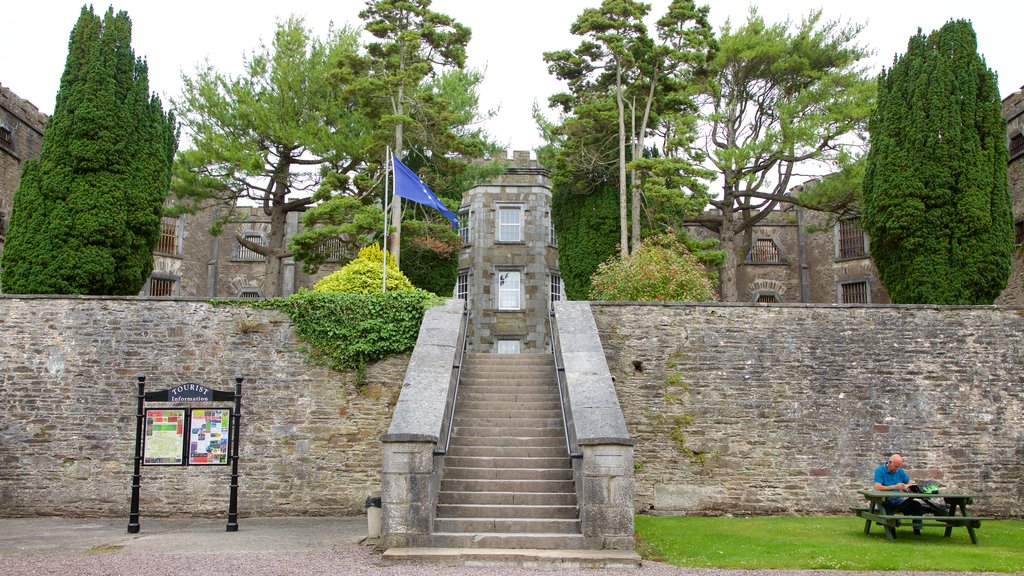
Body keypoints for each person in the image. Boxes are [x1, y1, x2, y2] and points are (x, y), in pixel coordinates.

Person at [873, 453, 923, 534]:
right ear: (890, 462)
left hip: (898, 500)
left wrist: (909, 487)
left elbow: (908, 483)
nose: (897, 469)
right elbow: (877, 487)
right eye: (896, 466)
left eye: (899, 466)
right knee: (888, 507)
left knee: (916, 505)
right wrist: (895, 487)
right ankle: (891, 532)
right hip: (885, 500)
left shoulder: (900, 471)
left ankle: (917, 530)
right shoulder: (879, 471)